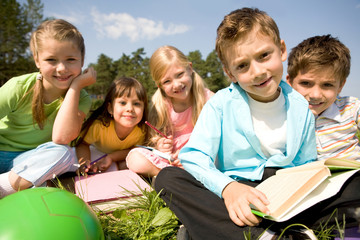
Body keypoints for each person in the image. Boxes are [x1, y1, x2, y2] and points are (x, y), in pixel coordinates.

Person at [154, 8, 360, 239]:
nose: (258, 72)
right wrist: (228, 188)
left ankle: (216, 228)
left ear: (281, 50)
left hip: (285, 190)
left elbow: (306, 162)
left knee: (355, 183)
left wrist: (311, 182)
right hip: (238, 189)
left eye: (264, 56)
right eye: (242, 66)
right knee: (168, 179)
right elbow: (194, 156)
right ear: (229, 73)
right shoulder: (221, 104)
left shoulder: (300, 106)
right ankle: (268, 235)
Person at [0, 19, 96, 198]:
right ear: (37, 60)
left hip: (30, 160)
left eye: (71, 60)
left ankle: (5, 187)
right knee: (45, 181)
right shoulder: (19, 87)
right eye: (51, 59)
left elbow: (61, 138)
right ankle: (18, 186)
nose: (62, 68)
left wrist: (75, 87)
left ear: (82, 60)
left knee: (63, 154)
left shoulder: (81, 98)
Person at [126, 45, 214, 177]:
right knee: (135, 158)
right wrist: (161, 146)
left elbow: (217, 137)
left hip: (201, 155)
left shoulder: (209, 99)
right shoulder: (161, 106)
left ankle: (177, 177)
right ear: (159, 85)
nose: (177, 84)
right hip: (171, 161)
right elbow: (157, 139)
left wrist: (191, 153)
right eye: (167, 81)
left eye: (180, 75)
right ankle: (172, 175)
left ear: (190, 68)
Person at [286, 34, 360, 161]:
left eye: (327, 85)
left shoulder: (351, 107)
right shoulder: (283, 114)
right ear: (290, 82)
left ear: (341, 85)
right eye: (305, 83)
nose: (315, 95)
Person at [75, 77, 148, 174]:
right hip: (94, 153)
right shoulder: (99, 126)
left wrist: (111, 157)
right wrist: (84, 163)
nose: (130, 108)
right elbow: (82, 144)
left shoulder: (141, 130)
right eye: (123, 103)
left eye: (136, 104)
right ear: (110, 108)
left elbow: (134, 150)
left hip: (117, 159)